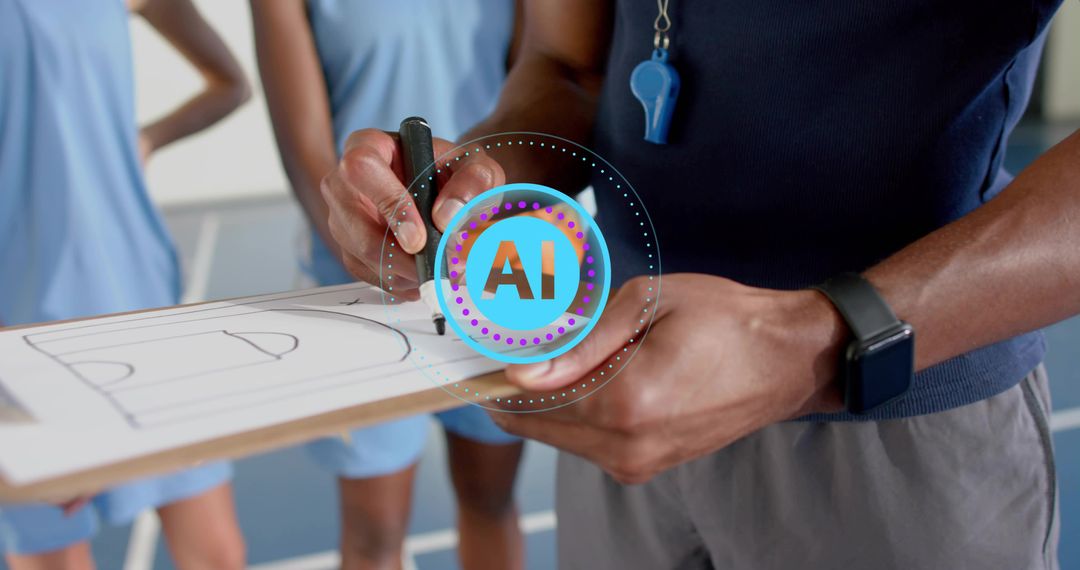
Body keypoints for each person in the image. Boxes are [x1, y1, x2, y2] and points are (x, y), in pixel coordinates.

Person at [320, 0, 1076, 568]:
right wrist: (478, 184)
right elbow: (566, 62)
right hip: (616, 401)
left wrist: (815, 338)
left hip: (901, 427)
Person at [249, 2, 525, 569]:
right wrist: (371, 262)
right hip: (360, 284)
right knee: (375, 533)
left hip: (492, 277)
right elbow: (307, 154)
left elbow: (542, 90)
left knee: (491, 499)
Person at [0, 0, 250, 568]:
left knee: (218, 555)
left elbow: (230, 84)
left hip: (138, 293)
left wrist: (148, 138)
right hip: (16, 323)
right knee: (55, 558)